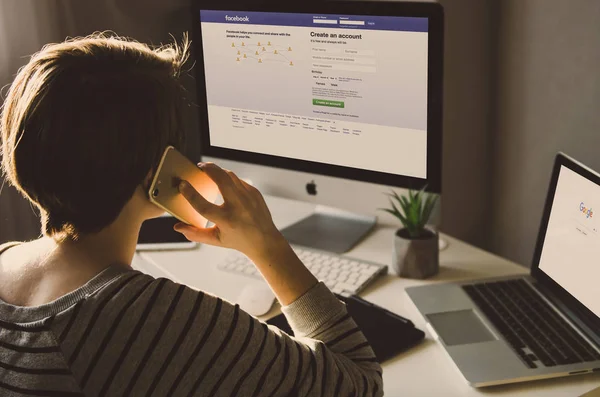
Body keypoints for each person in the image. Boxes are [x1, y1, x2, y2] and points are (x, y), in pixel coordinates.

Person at [0, 33, 383, 396]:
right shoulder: (153, 320)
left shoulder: (6, 258)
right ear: (157, 169)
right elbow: (359, 383)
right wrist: (267, 245)